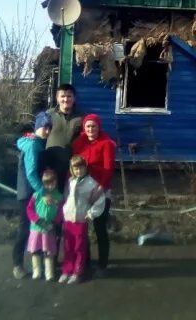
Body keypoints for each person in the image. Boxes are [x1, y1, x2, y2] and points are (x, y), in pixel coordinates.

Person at [72, 113, 116, 278]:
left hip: (100, 190)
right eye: (88, 126)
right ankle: (85, 262)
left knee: (99, 227)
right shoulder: (78, 143)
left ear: (99, 127)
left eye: (94, 126)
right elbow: (74, 164)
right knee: (82, 228)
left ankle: (103, 264)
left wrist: (101, 189)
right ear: (84, 128)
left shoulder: (107, 144)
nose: (90, 129)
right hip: (82, 189)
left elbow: (108, 168)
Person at [12, 111, 52, 280]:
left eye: (49, 128)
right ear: (37, 127)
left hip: (30, 192)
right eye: (45, 127)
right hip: (29, 193)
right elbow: (31, 173)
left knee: (36, 228)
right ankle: (17, 265)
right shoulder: (32, 145)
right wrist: (42, 192)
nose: (47, 131)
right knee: (25, 229)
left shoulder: (33, 142)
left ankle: (39, 264)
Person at [59, 155, 105, 284]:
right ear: (72, 170)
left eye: (81, 168)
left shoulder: (91, 183)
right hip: (68, 218)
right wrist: (63, 209)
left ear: (85, 168)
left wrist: (91, 214)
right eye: (76, 169)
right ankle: (66, 270)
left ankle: (77, 272)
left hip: (81, 219)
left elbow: (100, 200)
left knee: (79, 247)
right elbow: (65, 196)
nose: (78, 171)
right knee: (68, 246)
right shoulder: (70, 182)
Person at [26, 168, 64, 282]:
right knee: (35, 250)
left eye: (52, 183)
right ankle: (36, 271)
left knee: (49, 251)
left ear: (56, 182)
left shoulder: (59, 196)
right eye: (46, 183)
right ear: (43, 183)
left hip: (49, 228)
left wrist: (55, 222)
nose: (49, 186)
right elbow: (29, 209)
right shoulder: (37, 195)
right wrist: (36, 219)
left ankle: (49, 273)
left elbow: (61, 211)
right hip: (36, 227)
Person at [45, 84, 84, 192]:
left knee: (67, 197)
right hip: (50, 163)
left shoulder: (81, 117)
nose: (66, 99)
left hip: (71, 166)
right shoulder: (48, 115)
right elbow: (39, 136)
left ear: (74, 98)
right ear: (57, 98)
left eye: (69, 96)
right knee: (50, 196)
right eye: (62, 96)